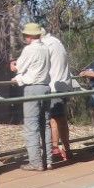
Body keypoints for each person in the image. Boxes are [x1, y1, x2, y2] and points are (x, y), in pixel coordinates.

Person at [11, 22, 53, 171]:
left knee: (31, 126)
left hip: (32, 90)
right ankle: (48, 160)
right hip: (46, 88)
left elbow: (19, 68)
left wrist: (13, 67)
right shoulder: (46, 49)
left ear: (28, 36)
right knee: (45, 125)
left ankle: (35, 162)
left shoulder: (29, 49)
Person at [45, 26, 73, 164]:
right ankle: (67, 149)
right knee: (61, 119)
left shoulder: (46, 45)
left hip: (54, 86)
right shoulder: (57, 42)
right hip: (64, 85)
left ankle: (55, 149)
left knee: (54, 119)